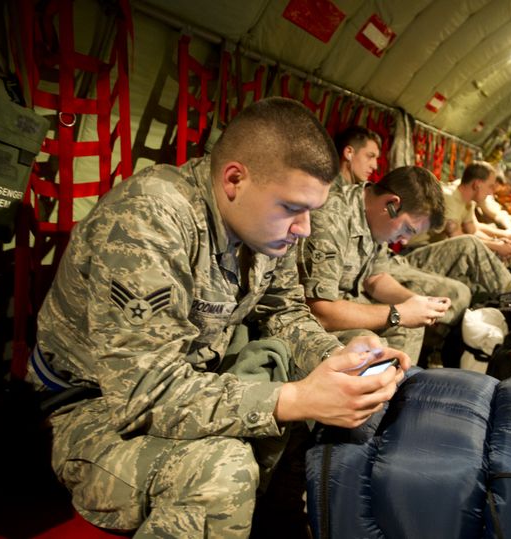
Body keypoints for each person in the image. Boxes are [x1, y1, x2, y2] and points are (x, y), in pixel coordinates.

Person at [26, 97, 410, 538]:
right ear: (234, 180)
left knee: (330, 378)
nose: (304, 227)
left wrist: (341, 358)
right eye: (292, 208)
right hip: (93, 407)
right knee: (221, 474)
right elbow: (143, 393)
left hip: (189, 378)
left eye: (311, 211)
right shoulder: (150, 219)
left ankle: (274, 523)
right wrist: (295, 398)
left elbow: (284, 311)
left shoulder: (268, 228)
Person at [298, 166, 469, 363]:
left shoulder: (375, 218)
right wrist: (398, 313)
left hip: (344, 302)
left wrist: (418, 304)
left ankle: (397, 387)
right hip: (308, 318)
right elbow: (320, 311)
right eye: (407, 229)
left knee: (410, 328)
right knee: (376, 347)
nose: (404, 241)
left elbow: (375, 278)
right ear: (391, 204)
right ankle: (388, 388)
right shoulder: (331, 219)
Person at [410, 162, 511, 271]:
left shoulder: (468, 200)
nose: (491, 192)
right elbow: (460, 240)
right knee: (498, 262)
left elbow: (473, 230)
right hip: (418, 251)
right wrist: (496, 246)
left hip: (439, 250)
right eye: (490, 186)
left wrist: (501, 241)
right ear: (477, 184)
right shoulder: (449, 197)